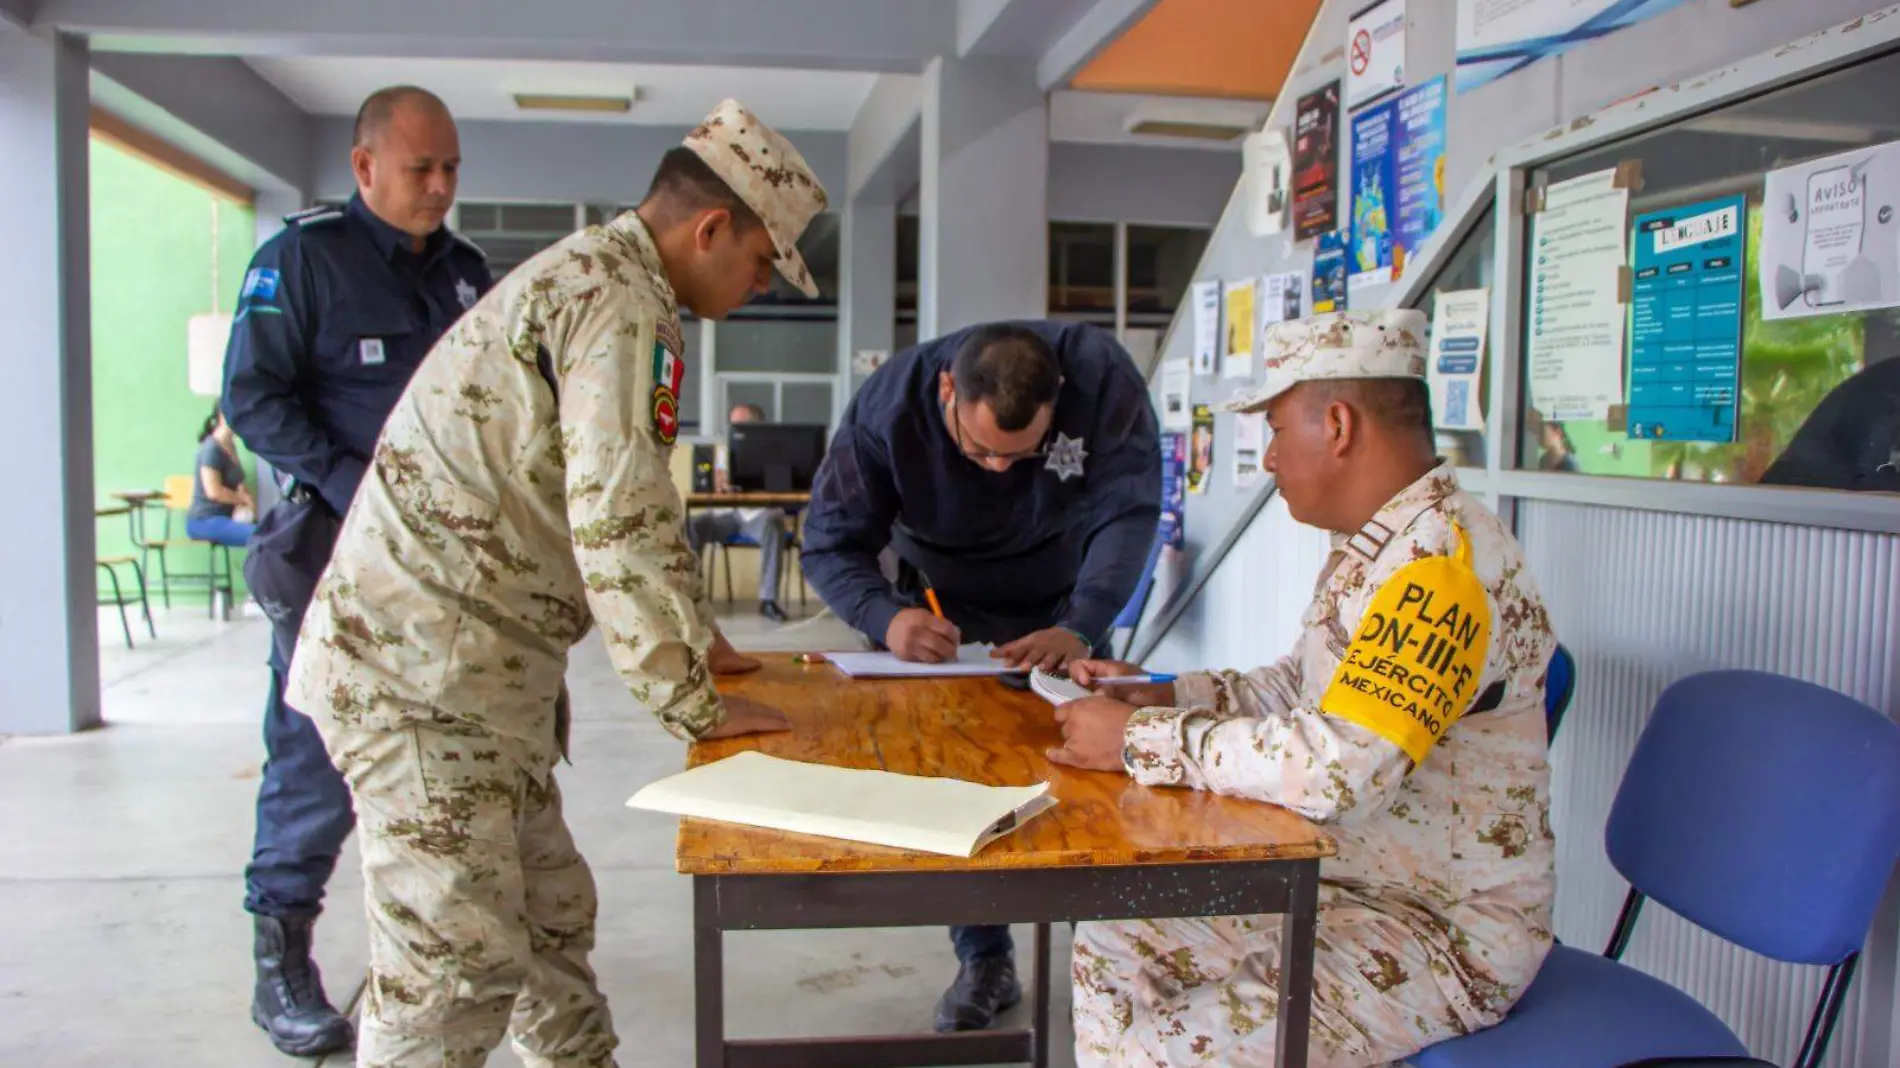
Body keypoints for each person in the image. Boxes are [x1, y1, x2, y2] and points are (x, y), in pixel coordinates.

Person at [285, 98, 823, 1067]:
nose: (757, 288)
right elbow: (617, 513)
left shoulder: (597, 276)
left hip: (480, 682)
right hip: (424, 682)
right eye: (757, 263)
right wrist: (687, 697)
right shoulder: (621, 303)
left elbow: (630, 511)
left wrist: (696, 640)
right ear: (709, 229)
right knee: (450, 976)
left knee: (545, 923)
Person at [1047, 309, 1557, 1067]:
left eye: (1279, 432)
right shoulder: (1377, 544)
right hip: (1346, 884)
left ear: (1340, 425)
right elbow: (1301, 684)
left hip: (1438, 932)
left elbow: (1341, 766)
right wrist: (1162, 695)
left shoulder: (1441, 571)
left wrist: (1137, 742)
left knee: (1169, 1044)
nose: (1272, 461)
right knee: (1116, 941)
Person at [219, 84, 492, 1057]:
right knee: (318, 760)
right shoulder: (302, 261)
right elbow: (251, 397)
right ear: (365, 165)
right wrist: (356, 483)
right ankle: (280, 962)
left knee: (454, 763)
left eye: (451, 166)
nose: (439, 185)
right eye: (421, 168)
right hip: (335, 556)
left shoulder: (464, 273)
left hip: (447, 570)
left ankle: (437, 948)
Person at [800, 319, 1161, 1033]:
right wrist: (885, 617)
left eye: (1020, 455)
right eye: (979, 450)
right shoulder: (890, 407)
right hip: (944, 608)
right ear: (946, 393)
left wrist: (1083, 621)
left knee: (1092, 770)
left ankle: (1117, 954)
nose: (998, 469)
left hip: (1066, 603)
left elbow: (1129, 511)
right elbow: (830, 541)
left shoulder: (1101, 377)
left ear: (1060, 402)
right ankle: (985, 958)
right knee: (964, 780)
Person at [687, 402, 793, 621]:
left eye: (739, 424)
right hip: (729, 516)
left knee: (773, 526)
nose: (733, 429)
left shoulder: (776, 451)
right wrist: (718, 484)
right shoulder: (724, 450)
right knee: (694, 524)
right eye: (732, 424)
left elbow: (784, 485)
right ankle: (691, 597)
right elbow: (714, 483)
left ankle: (768, 600)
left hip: (759, 515)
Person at [186, 407, 258, 547]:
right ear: (222, 415)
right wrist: (241, 498)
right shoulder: (211, 448)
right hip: (204, 520)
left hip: (227, 518)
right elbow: (214, 492)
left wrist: (250, 507)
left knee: (275, 533)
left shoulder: (230, 446)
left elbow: (241, 487)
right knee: (264, 537)